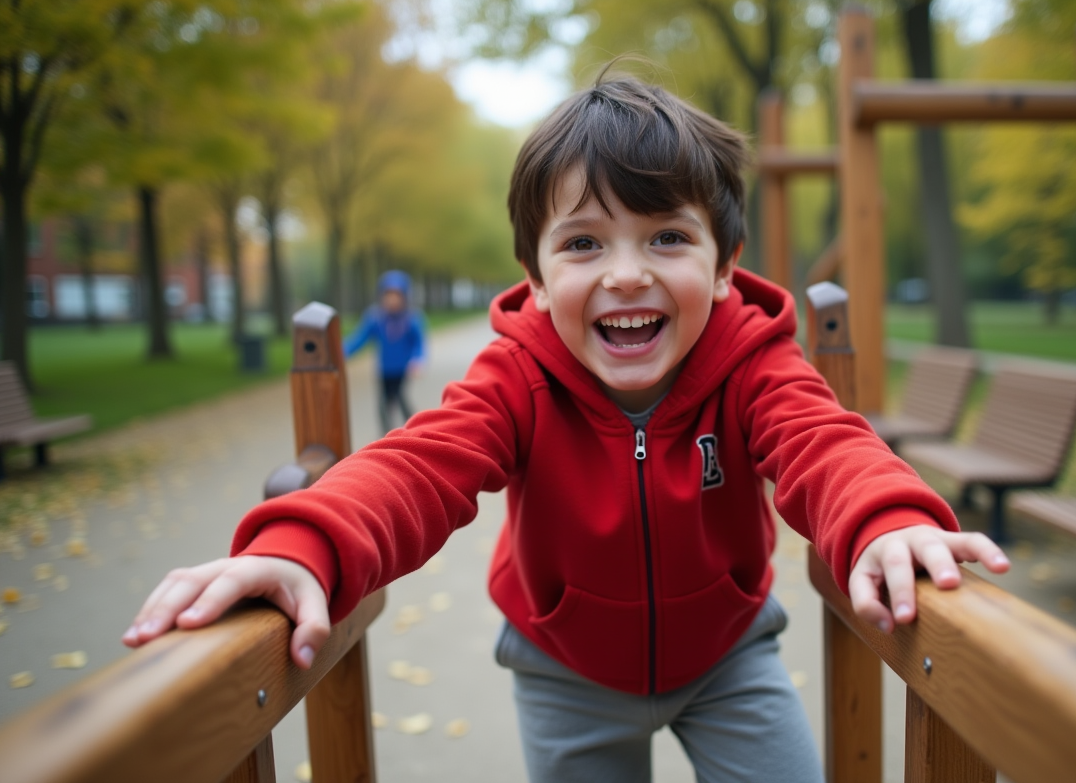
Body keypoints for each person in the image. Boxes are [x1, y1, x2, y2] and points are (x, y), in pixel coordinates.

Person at [124, 75, 1008, 782]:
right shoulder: (518, 376)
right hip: (565, 671)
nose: (626, 274)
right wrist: (303, 545)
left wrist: (888, 519)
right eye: (583, 244)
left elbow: (825, 442)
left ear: (726, 266)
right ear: (538, 278)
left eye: (667, 238)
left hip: (728, 657)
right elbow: (418, 466)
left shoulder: (753, 364)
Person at [344, 270, 426, 433]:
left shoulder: (412, 319)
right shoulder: (375, 318)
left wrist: (418, 359)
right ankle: (387, 437)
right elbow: (360, 338)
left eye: (397, 295)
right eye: (388, 294)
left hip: (403, 369)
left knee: (401, 399)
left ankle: (414, 432)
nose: (392, 299)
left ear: (405, 296)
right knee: (383, 405)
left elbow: (418, 343)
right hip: (384, 370)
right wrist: (341, 351)